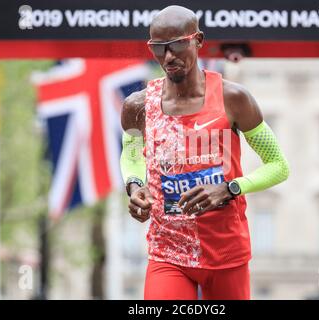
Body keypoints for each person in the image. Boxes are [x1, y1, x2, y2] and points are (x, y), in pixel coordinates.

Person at [120, 5, 290, 300]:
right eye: (158, 49)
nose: (168, 57)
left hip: (226, 253)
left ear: (198, 40)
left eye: (176, 45)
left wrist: (229, 188)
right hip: (168, 252)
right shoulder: (138, 106)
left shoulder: (233, 98)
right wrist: (134, 186)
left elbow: (278, 165)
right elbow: (132, 155)